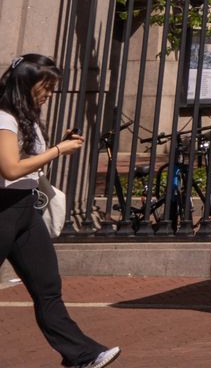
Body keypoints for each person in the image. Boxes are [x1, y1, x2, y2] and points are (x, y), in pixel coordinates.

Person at [0, 55, 120, 367]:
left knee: (48, 288)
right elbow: (11, 169)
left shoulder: (25, 117)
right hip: (3, 210)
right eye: (47, 86)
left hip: (25, 210)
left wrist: (58, 146)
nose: (50, 94)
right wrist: (59, 150)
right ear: (26, 83)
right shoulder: (4, 118)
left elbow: (28, 166)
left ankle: (82, 354)